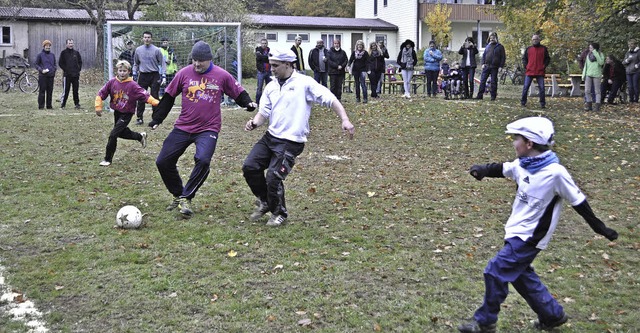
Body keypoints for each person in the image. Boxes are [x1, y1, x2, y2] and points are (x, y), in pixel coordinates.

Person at [458, 116, 619, 333]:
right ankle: (552, 315)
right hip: (515, 231)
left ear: (529, 143)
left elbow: (579, 202)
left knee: (495, 271)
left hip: (531, 237)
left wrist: (600, 228)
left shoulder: (555, 173)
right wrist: (483, 170)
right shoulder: (523, 164)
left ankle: (485, 322)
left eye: (516, 139)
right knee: (521, 276)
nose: (513, 143)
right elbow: (503, 168)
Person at [241, 49, 355, 227]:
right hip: (271, 137)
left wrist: (345, 119)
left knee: (273, 176)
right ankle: (265, 201)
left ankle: (279, 213)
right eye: (271, 65)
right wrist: (254, 123)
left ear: (288, 64)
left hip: (291, 141)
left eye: (275, 66)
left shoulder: (304, 83)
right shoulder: (271, 86)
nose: (272, 69)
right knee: (249, 167)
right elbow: (263, 113)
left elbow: (331, 99)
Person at [148, 41, 257, 218]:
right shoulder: (184, 74)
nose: (197, 64)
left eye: (201, 61)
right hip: (183, 126)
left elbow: (237, 91)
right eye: (194, 60)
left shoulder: (221, 75)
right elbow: (168, 96)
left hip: (208, 129)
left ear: (209, 60)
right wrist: (157, 118)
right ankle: (178, 194)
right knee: (163, 161)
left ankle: (186, 197)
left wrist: (248, 103)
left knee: (203, 160)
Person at [94, 60, 159, 167]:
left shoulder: (133, 85)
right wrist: (98, 106)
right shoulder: (112, 82)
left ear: (128, 71)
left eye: (125, 71)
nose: (122, 73)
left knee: (113, 135)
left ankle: (107, 159)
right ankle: (140, 137)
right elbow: (101, 94)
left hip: (127, 113)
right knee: (121, 133)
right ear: (117, 71)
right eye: (120, 70)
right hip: (117, 112)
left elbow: (145, 95)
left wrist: (157, 103)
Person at [132, 31, 166, 125]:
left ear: (151, 39)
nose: (147, 39)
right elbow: (136, 63)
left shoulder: (156, 50)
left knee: (154, 96)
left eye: (148, 37)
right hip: (143, 75)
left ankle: (155, 118)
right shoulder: (138, 50)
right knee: (141, 96)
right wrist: (134, 73)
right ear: (142, 38)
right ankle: (139, 118)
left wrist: (163, 75)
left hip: (154, 75)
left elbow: (162, 63)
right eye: (145, 37)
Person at [520, 34, 550, 108]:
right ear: (532, 40)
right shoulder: (528, 49)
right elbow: (524, 59)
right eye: (533, 39)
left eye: (536, 39)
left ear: (539, 40)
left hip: (540, 72)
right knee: (525, 87)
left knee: (542, 88)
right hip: (529, 71)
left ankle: (542, 104)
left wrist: (543, 66)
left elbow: (547, 59)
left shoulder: (544, 49)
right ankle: (523, 102)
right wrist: (526, 66)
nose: (535, 40)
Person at [476, 32, 505, 101]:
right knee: (482, 81)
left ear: (496, 38)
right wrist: (483, 63)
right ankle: (479, 96)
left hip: (494, 67)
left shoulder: (500, 47)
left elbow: (503, 57)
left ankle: (493, 96)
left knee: (493, 82)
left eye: (493, 38)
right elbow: (484, 56)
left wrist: (501, 66)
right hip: (486, 66)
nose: (492, 39)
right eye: (491, 38)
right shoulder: (488, 46)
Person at [214, 35, 238, 106]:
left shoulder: (234, 51)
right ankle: (221, 100)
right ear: (222, 43)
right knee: (221, 85)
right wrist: (218, 66)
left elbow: (236, 60)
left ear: (230, 43)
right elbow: (215, 60)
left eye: (227, 42)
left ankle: (231, 100)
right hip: (221, 72)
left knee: (231, 86)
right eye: (224, 42)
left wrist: (235, 66)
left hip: (231, 71)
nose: (226, 44)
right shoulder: (219, 51)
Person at [59, 38, 83, 109]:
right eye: (69, 43)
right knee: (66, 91)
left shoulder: (76, 53)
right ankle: (63, 105)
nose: (71, 45)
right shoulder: (63, 53)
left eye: (72, 43)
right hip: (67, 76)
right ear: (66, 44)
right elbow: (60, 63)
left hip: (75, 76)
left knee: (75, 91)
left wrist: (78, 70)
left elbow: (80, 62)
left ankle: (77, 104)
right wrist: (66, 70)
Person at [582, 42, 605, 111]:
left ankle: (597, 107)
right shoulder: (588, 55)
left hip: (597, 75)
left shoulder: (600, 54)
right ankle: (589, 105)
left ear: (595, 48)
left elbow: (601, 62)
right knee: (587, 91)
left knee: (597, 91)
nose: (589, 49)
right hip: (588, 74)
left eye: (591, 48)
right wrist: (584, 75)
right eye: (589, 48)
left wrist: (595, 53)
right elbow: (586, 65)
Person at [34, 39, 56, 110]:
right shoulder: (40, 55)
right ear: (43, 47)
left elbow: (55, 64)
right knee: (42, 91)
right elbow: (36, 64)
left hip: (51, 76)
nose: (48, 47)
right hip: (43, 76)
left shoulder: (52, 55)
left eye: (49, 46)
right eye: (46, 46)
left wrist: (54, 70)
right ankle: (41, 106)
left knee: (50, 91)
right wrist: (41, 70)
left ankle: (49, 106)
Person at [621, 38, 640, 103]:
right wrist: (627, 60)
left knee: (635, 86)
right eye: (629, 44)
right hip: (628, 72)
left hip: (636, 71)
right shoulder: (628, 52)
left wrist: (637, 65)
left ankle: (636, 100)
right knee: (630, 87)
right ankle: (631, 100)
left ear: (635, 44)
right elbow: (623, 62)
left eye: (631, 44)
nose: (630, 45)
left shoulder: (638, 51)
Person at [255, 39, 272, 104]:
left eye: (265, 43)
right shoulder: (258, 50)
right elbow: (259, 58)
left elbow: (270, 58)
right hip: (261, 71)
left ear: (267, 44)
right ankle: (257, 102)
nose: (264, 44)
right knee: (259, 88)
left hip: (268, 72)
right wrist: (267, 57)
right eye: (262, 43)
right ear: (260, 44)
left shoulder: (269, 50)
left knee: (269, 87)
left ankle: (268, 102)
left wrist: (264, 57)